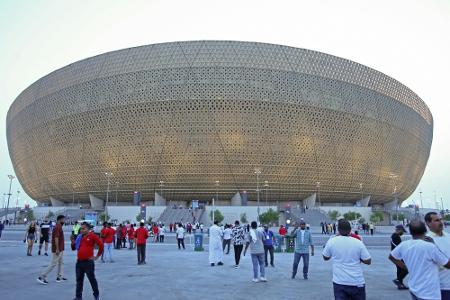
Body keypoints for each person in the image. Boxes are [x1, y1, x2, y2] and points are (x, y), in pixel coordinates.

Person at [390, 219, 450, 300]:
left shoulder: (404, 245)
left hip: (414, 289)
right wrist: (435, 245)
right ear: (425, 230)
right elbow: (447, 264)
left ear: (411, 232)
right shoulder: (430, 246)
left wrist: (406, 267)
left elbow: (392, 257)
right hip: (429, 293)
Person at [323, 219, 371, 300]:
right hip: (357, 282)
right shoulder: (358, 242)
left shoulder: (332, 241)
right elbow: (368, 261)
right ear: (350, 230)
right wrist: (357, 257)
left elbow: (325, 257)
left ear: (338, 230)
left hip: (339, 282)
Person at [72, 222, 103, 300]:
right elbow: (74, 248)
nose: (81, 230)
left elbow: (101, 245)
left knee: (92, 280)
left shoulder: (92, 236)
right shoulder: (79, 237)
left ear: (88, 229)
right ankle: (78, 297)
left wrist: (97, 256)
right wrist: (72, 242)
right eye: (81, 228)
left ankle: (96, 295)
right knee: (79, 281)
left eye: (83, 228)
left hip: (88, 263)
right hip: (79, 262)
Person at [425, 212, 450, 299]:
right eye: (437, 220)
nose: (441, 222)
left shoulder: (448, 237)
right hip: (438, 286)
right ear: (428, 223)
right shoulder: (426, 240)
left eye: (441, 219)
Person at [38, 215, 66, 284]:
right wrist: (57, 248)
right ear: (60, 220)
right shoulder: (57, 227)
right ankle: (42, 277)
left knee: (61, 263)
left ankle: (59, 277)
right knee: (53, 263)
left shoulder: (59, 226)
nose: (64, 221)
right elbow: (56, 238)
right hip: (58, 249)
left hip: (61, 248)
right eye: (63, 219)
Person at [390, 224, 408, 290]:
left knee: (400, 269)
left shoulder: (395, 235)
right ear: (399, 230)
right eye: (402, 231)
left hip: (396, 255)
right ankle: (398, 280)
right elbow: (397, 246)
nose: (403, 233)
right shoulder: (395, 236)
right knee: (406, 268)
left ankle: (400, 284)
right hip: (397, 256)